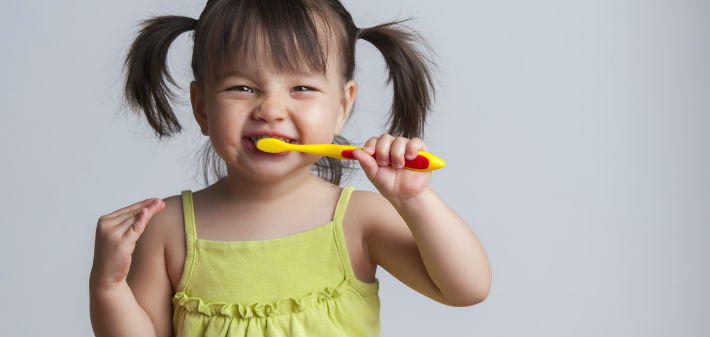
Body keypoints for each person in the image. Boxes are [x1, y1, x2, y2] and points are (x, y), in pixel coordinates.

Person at [89, 0, 492, 336]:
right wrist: (108, 286)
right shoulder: (167, 229)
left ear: (341, 106)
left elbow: (467, 288)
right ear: (202, 108)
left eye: (301, 88)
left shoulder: (357, 220)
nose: (271, 110)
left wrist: (416, 200)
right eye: (241, 88)